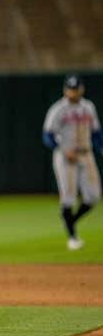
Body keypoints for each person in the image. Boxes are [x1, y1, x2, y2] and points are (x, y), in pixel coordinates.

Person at [43, 74, 102, 250]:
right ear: (65, 90)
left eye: (76, 89)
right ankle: (72, 237)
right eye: (70, 89)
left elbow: (96, 132)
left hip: (86, 154)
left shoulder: (88, 107)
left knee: (93, 196)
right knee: (68, 196)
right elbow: (47, 135)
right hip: (65, 157)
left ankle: (71, 222)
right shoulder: (58, 109)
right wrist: (61, 149)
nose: (73, 92)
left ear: (81, 89)